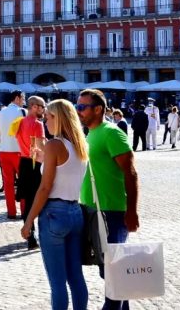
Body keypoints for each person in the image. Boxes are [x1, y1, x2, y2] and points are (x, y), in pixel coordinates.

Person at [22, 99, 89, 310]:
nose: (45, 120)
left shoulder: (54, 144)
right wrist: (44, 160)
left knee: (57, 281)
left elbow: (44, 188)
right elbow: (65, 170)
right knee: (75, 276)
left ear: (58, 119)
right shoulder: (80, 144)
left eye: (48, 116)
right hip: (75, 211)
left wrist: (28, 221)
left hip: (54, 214)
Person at [76, 89, 139, 310]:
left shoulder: (112, 133)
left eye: (83, 107)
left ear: (98, 109)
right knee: (111, 272)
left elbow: (130, 173)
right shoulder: (90, 133)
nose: (79, 111)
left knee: (113, 272)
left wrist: (131, 211)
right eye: (78, 106)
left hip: (111, 211)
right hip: (93, 211)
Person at [16, 96, 46, 250]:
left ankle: (30, 235)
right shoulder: (38, 124)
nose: (43, 109)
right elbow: (40, 147)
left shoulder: (19, 122)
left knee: (27, 201)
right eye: (42, 106)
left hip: (23, 162)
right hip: (35, 163)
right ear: (34, 107)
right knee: (40, 198)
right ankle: (42, 234)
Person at [0, 91, 26, 218]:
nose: (24, 101)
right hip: (19, 152)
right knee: (23, 183)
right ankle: (24, 210)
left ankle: (11, 211)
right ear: (17, 98)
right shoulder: (22, 112)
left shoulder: (0, 111)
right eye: (23, 98)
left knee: (8, 183)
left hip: (3, 151)